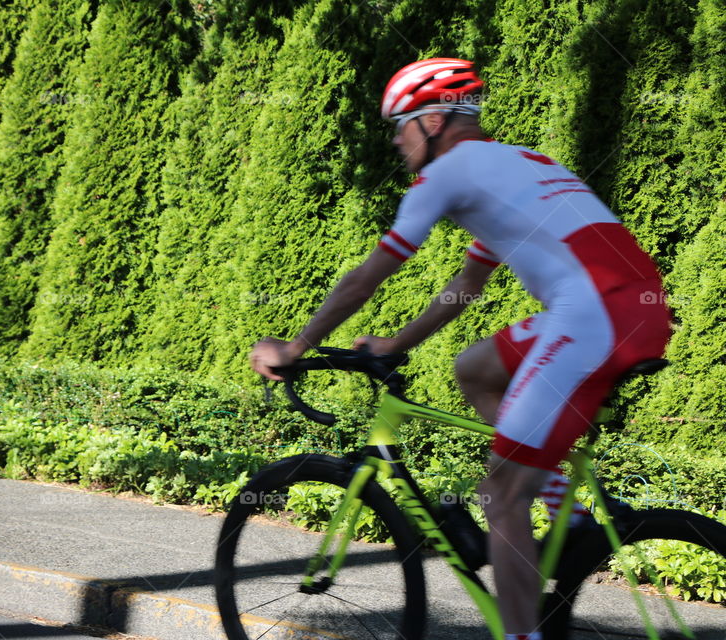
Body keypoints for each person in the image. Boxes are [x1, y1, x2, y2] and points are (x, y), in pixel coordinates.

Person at [248, 57, 671, 640]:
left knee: (500, 494)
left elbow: (366, 278)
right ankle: (567, 521)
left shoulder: (448, 175)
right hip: (620, 309)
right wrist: (396, 343)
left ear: (435, 120)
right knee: (474, 369)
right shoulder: (515, 165)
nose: (396, 139)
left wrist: (296, 346)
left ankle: (524, 623)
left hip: (595, 317)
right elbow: (467, 288)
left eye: (401, 124)